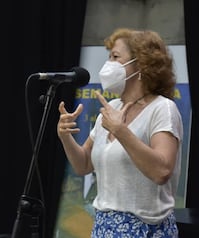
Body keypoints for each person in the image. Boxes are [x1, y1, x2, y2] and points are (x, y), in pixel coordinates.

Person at [56, 28, 183, 237]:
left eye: (115, 57)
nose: (108, 65)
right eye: (109, 57)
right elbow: (83, 165)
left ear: (141, 64)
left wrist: (120, 131)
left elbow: (161, 171)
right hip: (104, 227)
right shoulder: (111, 108)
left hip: (145, 229)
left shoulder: (163, 109)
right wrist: (65, 136)